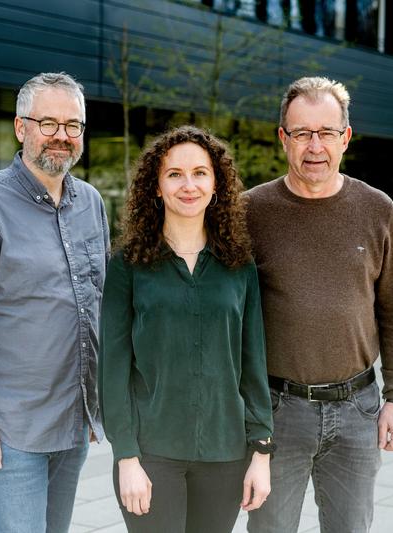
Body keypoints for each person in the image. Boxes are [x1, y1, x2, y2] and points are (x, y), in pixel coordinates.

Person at [0, 72, 109, 533]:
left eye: (73, 125)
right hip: (9, 433)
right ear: (20, 127)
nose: (62, 136)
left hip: (72, 426)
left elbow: (96, 305)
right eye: (47, 123)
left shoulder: (91, 202)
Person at [245, 76, 393, 533]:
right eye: (301, 132)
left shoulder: (378, 209)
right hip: (277, 412)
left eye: (325, 133)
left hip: (358, 408)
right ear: (283, 138)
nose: (314, 145)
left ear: (346, 137)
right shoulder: (250, 212)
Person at [100, 125, 275, 533]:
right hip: (151, 455)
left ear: (217, 185)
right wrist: (126, 458)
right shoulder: (128, 264)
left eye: (200, 173)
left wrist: (261, 452)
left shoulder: (239, 264)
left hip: (225, 452)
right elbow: (113, 366)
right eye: (174, 174)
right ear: (156, 187)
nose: (188, 185)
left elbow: (253, 362)